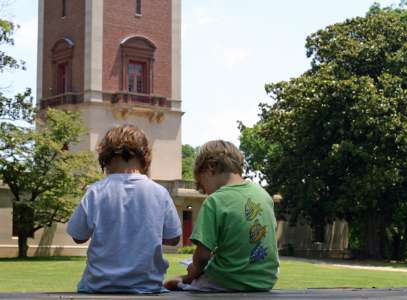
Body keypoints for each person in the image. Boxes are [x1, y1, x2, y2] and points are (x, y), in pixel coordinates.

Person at [67, 124, 181, 294]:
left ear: (105, 157)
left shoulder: (95, 191)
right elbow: (173, 238)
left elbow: (78, 236)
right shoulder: (159, 192)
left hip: (99, 287)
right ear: (145, 157)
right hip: (147, 287)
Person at [164, 140, 279, 292]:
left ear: (210, 167)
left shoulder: (214, 201)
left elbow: (202, 257)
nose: (205, 191)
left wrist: (193, 270)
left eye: (202, 184)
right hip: (264, 281)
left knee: (175, 283)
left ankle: (180, 282)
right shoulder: (263, 195)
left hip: (227, 281)